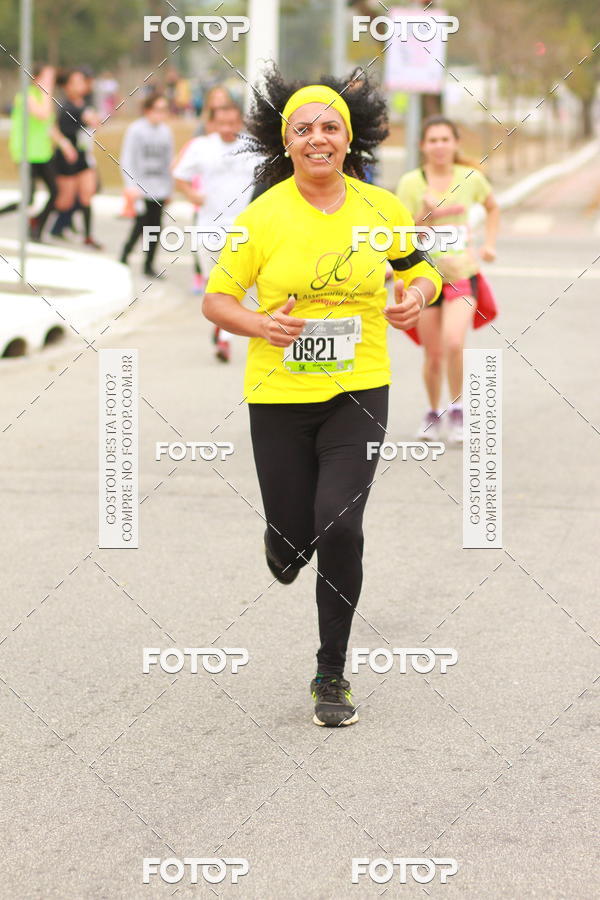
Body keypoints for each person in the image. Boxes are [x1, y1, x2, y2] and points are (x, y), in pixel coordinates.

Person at [202, 66, 441, 727]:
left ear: (347, 140)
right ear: (286, 142)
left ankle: (330, 673)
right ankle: (283, 542)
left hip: (358, 391)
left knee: (340, 522)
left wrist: (413, 299)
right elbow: (215, 301)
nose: (317, 138)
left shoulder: (380, 208)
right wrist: (259, 323)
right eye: (303, 129)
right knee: (292, 536)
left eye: (329, 127)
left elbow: (426, 274)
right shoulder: (262, 218)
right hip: (277, 394)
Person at [396, 116, 499, 445]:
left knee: (455, 343)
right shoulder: (411, 183)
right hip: (424, 278)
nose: (440, 146)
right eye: (433, 140)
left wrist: (489, 244)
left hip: (461, 275)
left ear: (456, 144)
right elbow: (401, 233)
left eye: (445, 140)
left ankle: (458, 410)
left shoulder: (470, 178)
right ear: (422, 146)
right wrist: (423, 215)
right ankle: (432, 410)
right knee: (434, 353)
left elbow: (492, 207)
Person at [173, 103, 258, 361]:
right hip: (209, 225)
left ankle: (224, 338)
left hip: (242, 228)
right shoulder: (202, 147)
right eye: (221, 124)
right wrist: (191, 194)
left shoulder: (253, 146)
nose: (227, 129)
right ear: (212, 123)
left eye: (232, 123)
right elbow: (178, 175)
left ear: (240, 122)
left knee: (232, 286)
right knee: (215, 286)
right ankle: (220, 328)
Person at [5, 64, 76, 241]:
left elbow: (49, 126)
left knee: (55, 191)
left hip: (43, 153)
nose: (51, 82)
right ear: (36, 78)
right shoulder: (26, 96)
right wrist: (47, 92)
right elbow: (43, 115)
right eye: (47, 77)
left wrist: (65, 144)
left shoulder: (44, 98)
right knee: (29, 198)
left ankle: (36, 227)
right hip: (26, 153)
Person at [119, 94, 174, 278]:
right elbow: (127, 159)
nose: (161, 114)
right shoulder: (136, 130)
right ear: (148, 110)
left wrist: (169, 188)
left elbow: (169, 161)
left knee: (155, 228)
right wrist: (130, 185)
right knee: (140, 225)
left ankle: (148, 265)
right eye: (157, 109)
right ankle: (124, 256)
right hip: (140, 188)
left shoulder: (166, 132)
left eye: (164, 110)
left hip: (159, 188)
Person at [53, 68, 102, 248]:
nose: (81, 86)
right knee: (64, 200)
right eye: (76, 82)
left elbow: (96, 121)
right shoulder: (65, 106)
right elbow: (86, 117)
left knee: (87, 194)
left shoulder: (86, 102)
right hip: (67, 157)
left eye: (82, 82)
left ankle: (88, 236)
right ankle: (41, 222)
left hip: (82, 155)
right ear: (67, 86)